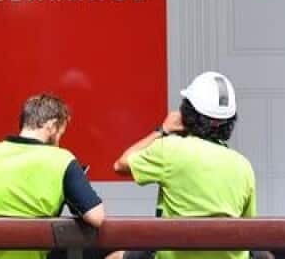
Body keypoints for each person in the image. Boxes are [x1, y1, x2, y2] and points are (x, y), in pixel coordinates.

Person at [0, 93, 105, 259]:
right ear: (51, 126)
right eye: (60, 133)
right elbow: (96, 217)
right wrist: (71, 196)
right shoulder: (62, 159)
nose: (59, 141)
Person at [110, 71, 256, 259]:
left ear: (186, 113)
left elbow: (120, 165)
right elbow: (249, 229)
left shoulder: (169, 149)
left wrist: (162, 130)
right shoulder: (243, 165)